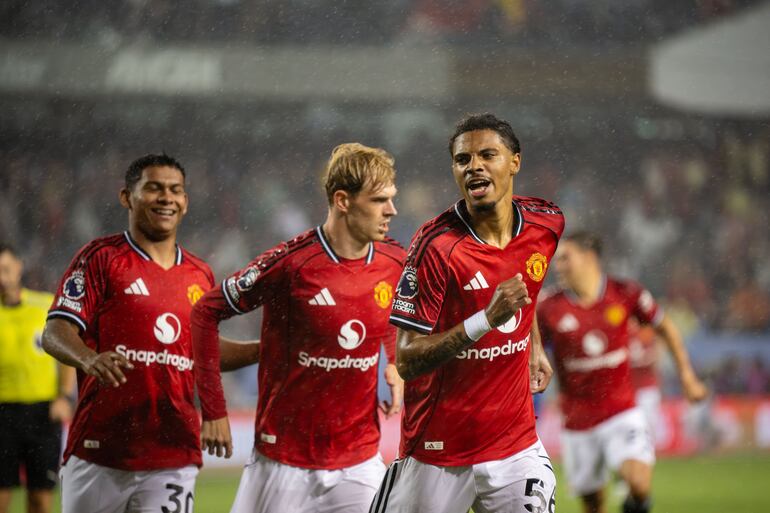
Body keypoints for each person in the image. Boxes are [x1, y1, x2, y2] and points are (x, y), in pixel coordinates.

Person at [191, 142, 406, 513]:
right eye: (378, 200)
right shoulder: (290, 265)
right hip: (282, 462)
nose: (391, 210)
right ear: (342, 201)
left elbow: (388, 310)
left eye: (391, 198)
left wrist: (394, 363)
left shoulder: (394, 260)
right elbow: (204, 313)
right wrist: (213, 412)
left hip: (360, 461)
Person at [372, 113, 564, 513]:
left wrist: (533, 343)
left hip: (515, 446)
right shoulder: (436, 247)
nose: (474, 165)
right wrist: (485, 320)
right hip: (437, 451)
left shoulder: (546, 224)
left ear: (515, 161)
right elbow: (407, 359)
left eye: (487, 155)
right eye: (463, 159)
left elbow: (526, 287)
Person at [41, 154, 252, 513]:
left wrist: (265, 348)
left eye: (175, 190)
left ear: (185, 201)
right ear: (127, 197)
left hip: (173, 452)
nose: (167, 197)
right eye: (154, 188)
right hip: (101, 451)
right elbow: (55, 331)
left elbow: (204, 351)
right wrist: (89, 359)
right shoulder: (100, 258)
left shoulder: (200, 274)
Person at [537, 231, 707, 513]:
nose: (558, 266)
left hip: (621, 412)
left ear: (589, 257)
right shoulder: (548, 307)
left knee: (639, 484)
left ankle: (635, 503)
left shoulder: (625, 293)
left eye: (566, 258)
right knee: (594, 506)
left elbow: (665, 327)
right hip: (576, 421)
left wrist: (687, 377)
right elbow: (531, 348)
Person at [0, 244, 75, 513]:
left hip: (43, 415)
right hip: (2, 415)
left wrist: (64, 396)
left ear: (19, 267)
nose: (1, 277)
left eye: (6, 269)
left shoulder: (44, 305)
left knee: (40, 498)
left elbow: (66, 353)